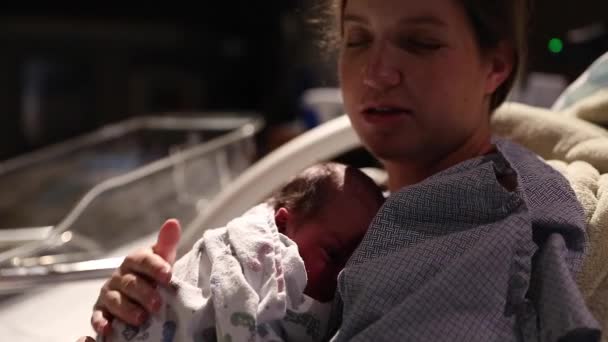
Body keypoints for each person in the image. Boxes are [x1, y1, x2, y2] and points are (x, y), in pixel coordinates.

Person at [83, 0, 602, 341]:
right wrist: (158, 300)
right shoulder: (362, 203)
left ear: (497, 66)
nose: (377, 73)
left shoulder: (480, 222)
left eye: (420, 42)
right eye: (357, 39)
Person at [97, 162, 384, 342]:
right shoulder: (256, 255)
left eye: (356, 264)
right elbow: (240, 314)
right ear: (282, 224)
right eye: (332, 254)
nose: (341, 276)